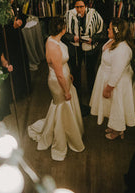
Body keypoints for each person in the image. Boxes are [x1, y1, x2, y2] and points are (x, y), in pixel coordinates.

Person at [27, 17, 84, 161]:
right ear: (63, 28)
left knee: (64, 107)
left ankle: (69, 130)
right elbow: (58, 74)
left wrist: (68, 73)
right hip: (58, 82)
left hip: (64, 76)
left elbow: (61, 67)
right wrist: (65, 90)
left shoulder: (53, 40)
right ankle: (60, 137)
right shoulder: (54, 47)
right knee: (62, 106)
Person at [89, 18, 135, 140]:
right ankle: (113, 125)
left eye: (110, 28)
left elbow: (116, 72)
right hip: (106, 77)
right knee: (111, 106)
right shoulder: (114, 40)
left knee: (117, 106)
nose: (107, 29)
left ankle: (118, 130)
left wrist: (108, 88)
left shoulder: (122, 49)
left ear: (116, 31)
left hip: (117, 83)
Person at [62, 0, 105, 114]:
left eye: (81, 6)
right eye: (77, 7)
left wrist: (93, 39)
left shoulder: (94, 14)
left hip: (90, 49)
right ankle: (78, 100)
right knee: (75, 72)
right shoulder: (68, 15)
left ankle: (93, 97)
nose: (79, 9)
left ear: (86, 6)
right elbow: (64, 33)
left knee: (91, 71)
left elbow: (102, 32)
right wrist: (73, 38)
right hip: (75, 49)